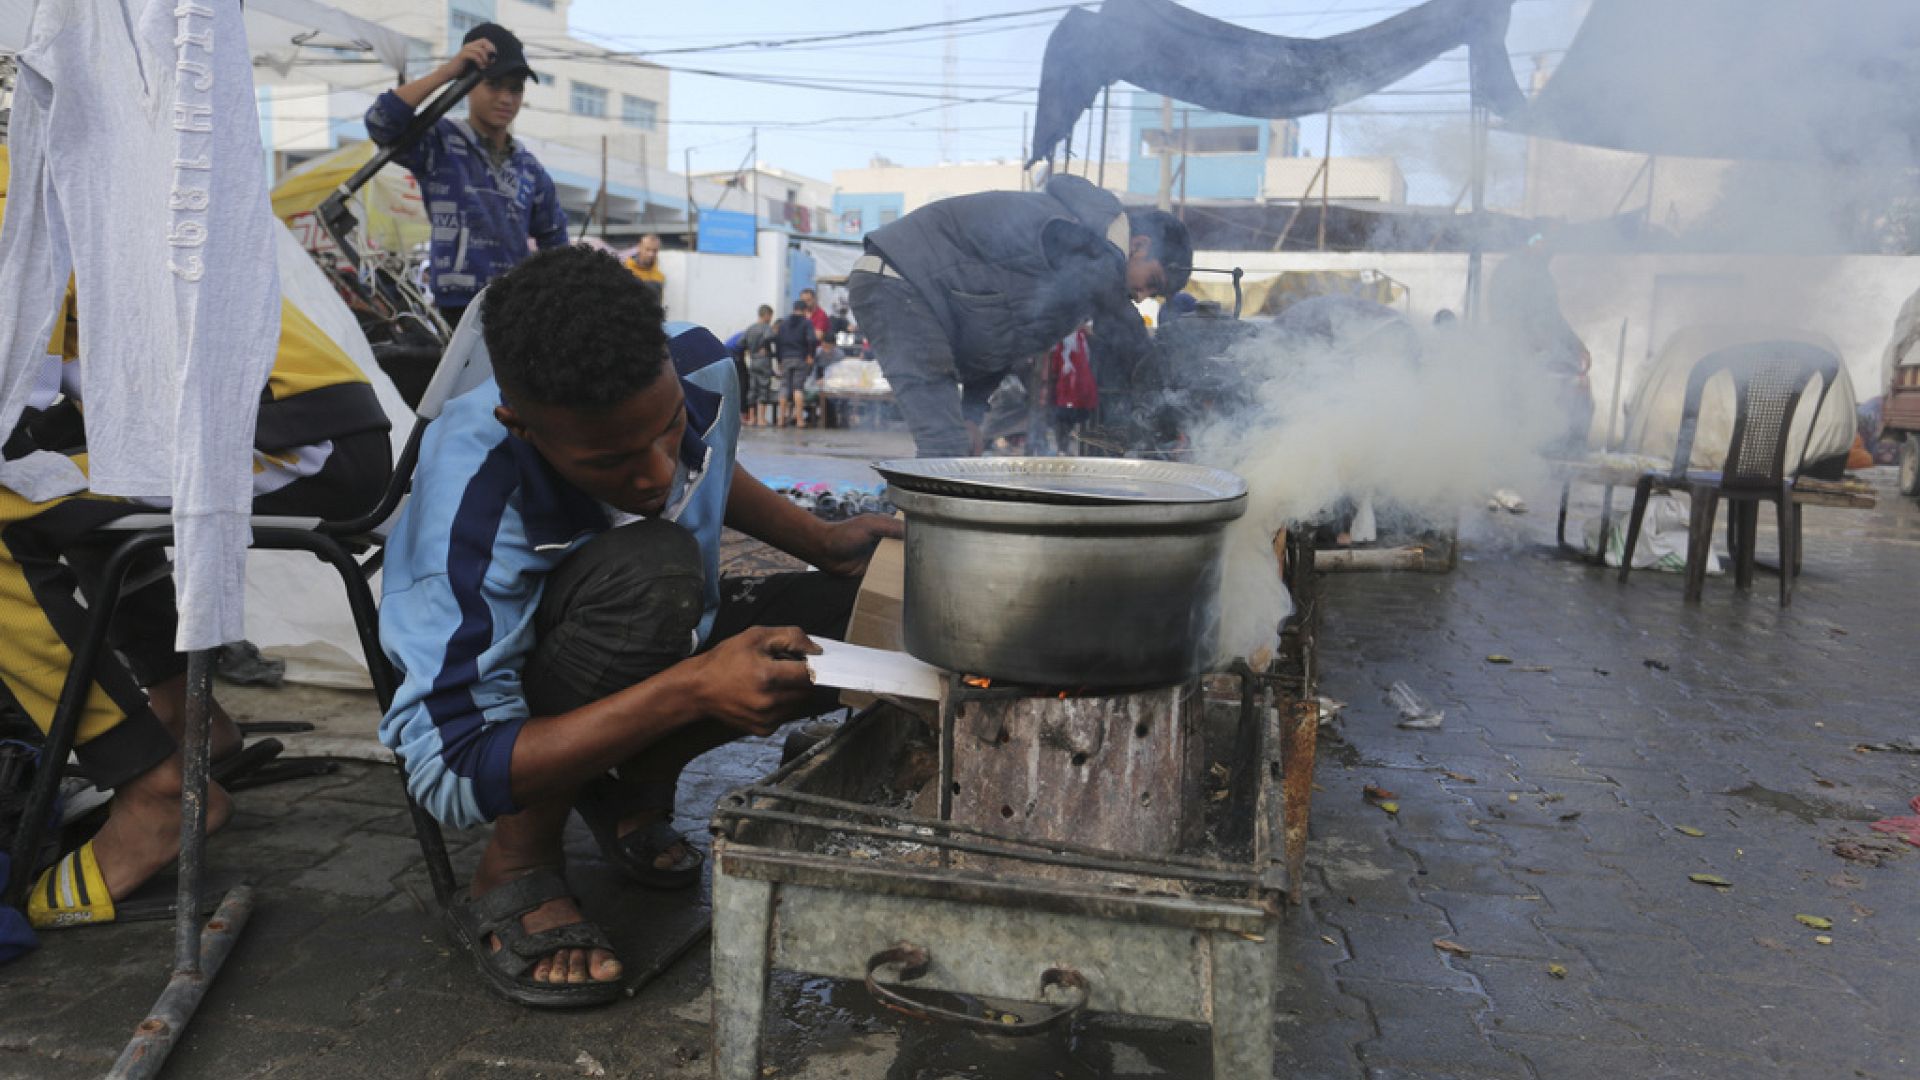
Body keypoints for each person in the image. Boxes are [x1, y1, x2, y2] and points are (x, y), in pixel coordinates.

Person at [376, 246, 899, 1006]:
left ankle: (634, 779)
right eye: (612, 461)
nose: (657, 474)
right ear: (521, 427)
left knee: (859, 622)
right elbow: (451, 770)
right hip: (536, 675)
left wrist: (822, 542)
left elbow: (708, 455)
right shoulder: (471, 491)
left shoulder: (696, 366)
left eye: (665, 431)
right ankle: (519, 860)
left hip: (667, 626)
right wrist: (690, 691)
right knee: (656, 573)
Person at [0, 152, 395, 927]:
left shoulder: (14, 187)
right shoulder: (32, 159)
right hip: (300, 417)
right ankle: (189, 723)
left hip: (288, 433)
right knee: (65, 495)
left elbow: (16, 395)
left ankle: (150, 791)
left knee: (9, 510)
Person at [848, 174, 1192, 457]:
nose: (1141, 296)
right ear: (1140, 245)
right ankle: (914, 538)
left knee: (960, 444)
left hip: (909, 291)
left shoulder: (1085, 277)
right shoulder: (1077, 233)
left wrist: (972, 414)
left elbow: (999, 341)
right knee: (944, 446)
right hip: (898, 281)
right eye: (1151, 283)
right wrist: (1165, 407)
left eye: (1153, 295)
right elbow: (1118, 317)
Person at [364, 22, 567, 329]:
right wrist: (448, 72)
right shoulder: (440, 142)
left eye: (515, 88)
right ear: (469, 85)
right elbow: (381, 121)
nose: (506, 98)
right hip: (457, 311)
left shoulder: (529, 168)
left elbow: (556, 241)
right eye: (494, 84)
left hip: (517, 314)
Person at [773, 299, 820, 429]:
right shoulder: (807, 323)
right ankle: (799, 420)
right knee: (797, 388)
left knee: (784, 387)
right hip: (801, 358)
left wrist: (779, 360)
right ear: (805, 310)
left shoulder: (783, 324)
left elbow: (778, 343)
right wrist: (811, 355)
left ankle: (781, 419)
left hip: (786, 358)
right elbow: (812, 339)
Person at [740, 305, 777, 428]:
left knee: (752, 388)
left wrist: (750, 351)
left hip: (753, 361)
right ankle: (761, 419)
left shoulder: (750, 328)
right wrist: (766, 349)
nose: (771, 318)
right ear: (766, 315)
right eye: (770, 315)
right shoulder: (766, 328)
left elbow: (741, 343)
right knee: (763, 388)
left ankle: (751, 418)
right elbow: (770, 338)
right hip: (764, 361)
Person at [624, 234, 666, 307]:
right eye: (647, 249)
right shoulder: (625, 271)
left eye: (655, 251)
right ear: (639, 247)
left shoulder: (659, 277)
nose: (651, 254)